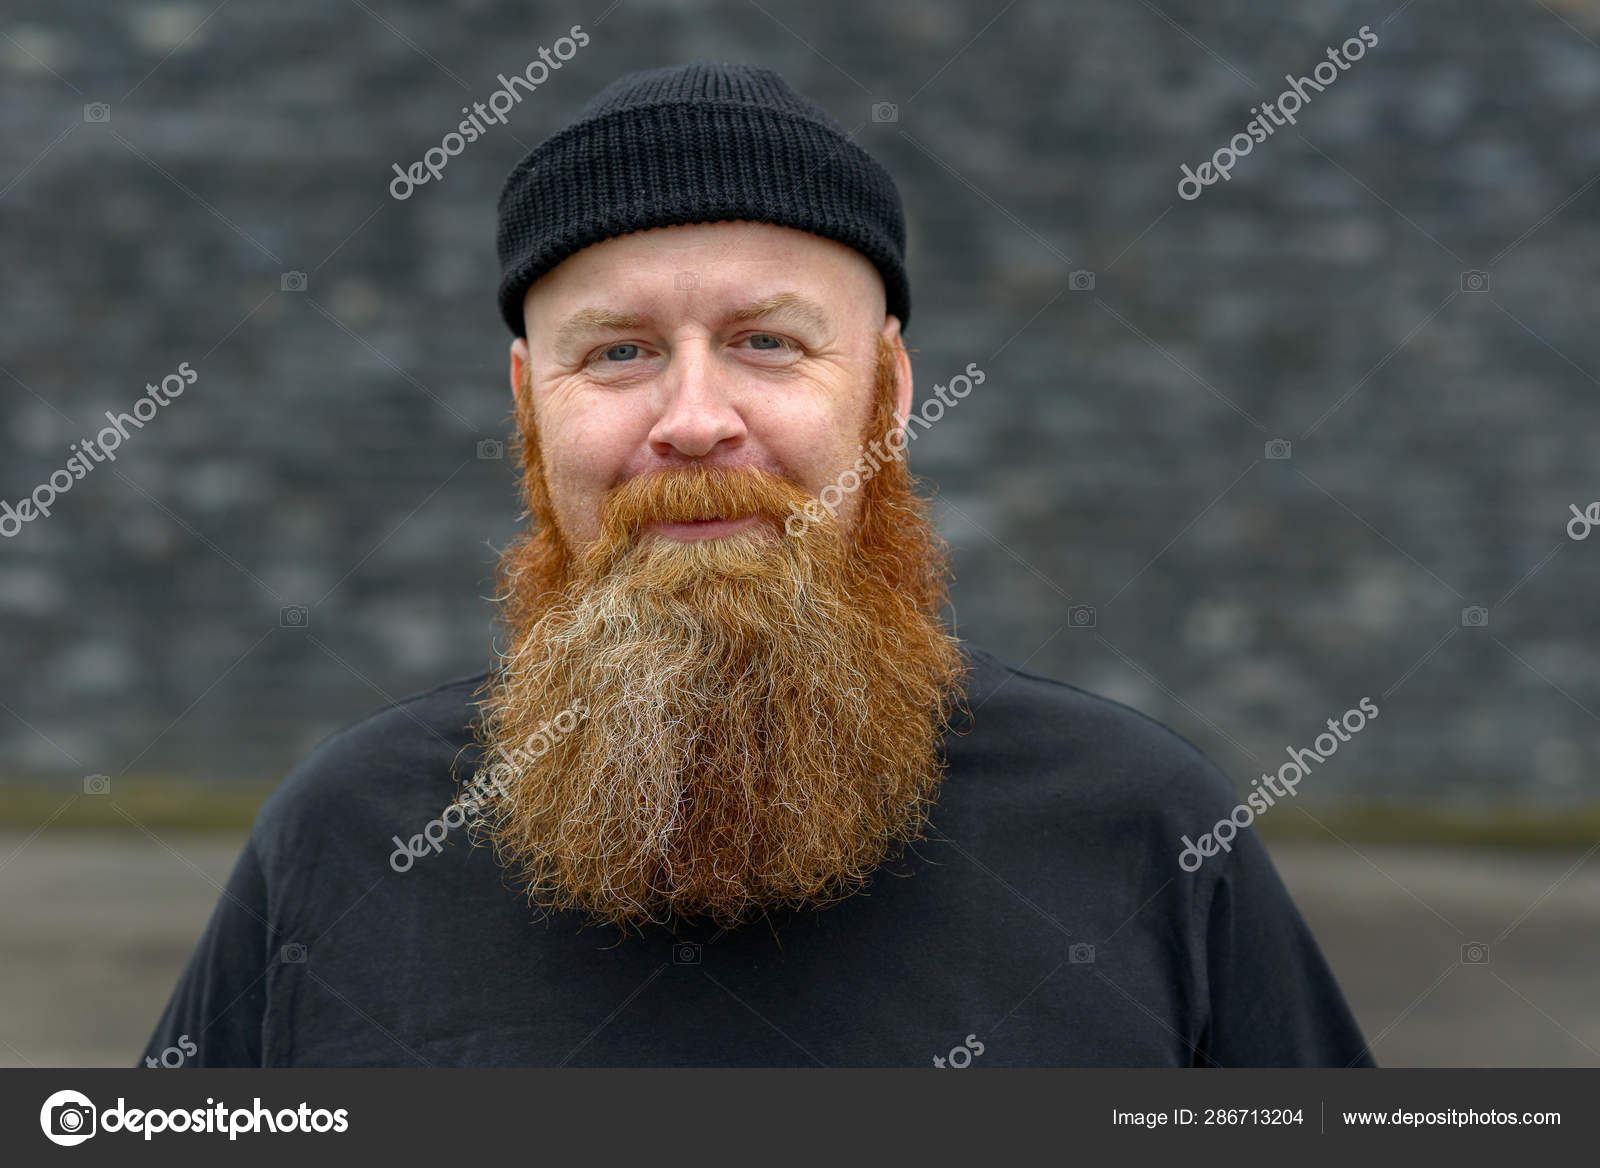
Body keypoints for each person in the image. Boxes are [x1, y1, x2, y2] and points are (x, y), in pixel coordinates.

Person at [139, 61, 1374, 1068]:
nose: (692, 417)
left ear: (887, 393)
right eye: (617, 353)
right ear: (529, 405)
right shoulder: (346, 838)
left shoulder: (1143, 831)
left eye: (767, 343)